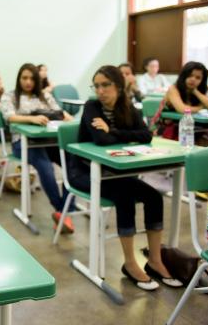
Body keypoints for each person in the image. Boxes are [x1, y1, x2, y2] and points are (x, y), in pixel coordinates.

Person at [69, 65, 182, 291]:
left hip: (116, 172)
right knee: (125, 197)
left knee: (153, 197)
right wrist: (118, 136)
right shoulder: (92, 107)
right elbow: (100, 141)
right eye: (97, 86)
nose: (100, 90)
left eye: (106, 85)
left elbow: (145, 135)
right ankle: (130, 264)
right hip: (84, 172)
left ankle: (155, 260)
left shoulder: (128, 107)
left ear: (119, 87)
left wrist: (112, 131)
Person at [0, 63, 75, 233]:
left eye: (32, 78)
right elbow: (9, 117)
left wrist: (74, 122)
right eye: (24, 78)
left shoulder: (44, 96)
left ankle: (65, 211)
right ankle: (63, 211)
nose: (28, 82)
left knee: (73, 163)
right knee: (46, 167)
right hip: (23, 143)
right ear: (19, 79)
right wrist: (31, 119)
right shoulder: (10, 96)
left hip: (49, 141)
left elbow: (60, 113)